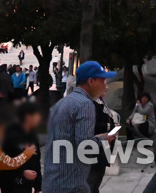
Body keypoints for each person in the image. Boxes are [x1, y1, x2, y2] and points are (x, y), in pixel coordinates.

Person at [43, 61, 117, 193]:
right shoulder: (85, 104)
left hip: (53, 180)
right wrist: (104, 139)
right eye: (103, 81)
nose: (106, 86)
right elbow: (85, 146)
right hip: (71, 183)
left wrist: (98, 137)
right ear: (91, 81)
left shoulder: (63, 102)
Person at [0, 101, 43, 193]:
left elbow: (36, 160)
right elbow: (3, 163)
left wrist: (38, 186)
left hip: (27, 185)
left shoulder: (32, 136)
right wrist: (22, 173)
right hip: (11, 185)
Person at [87, 93, 117, 193]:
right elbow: (94, 124)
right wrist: (109, 126)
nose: (106, 89)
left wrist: (113, 126)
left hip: (104, 147)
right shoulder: (90, 104)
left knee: (97, 181)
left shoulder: (101, 102)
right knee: (92, 181)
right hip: (95, 148)